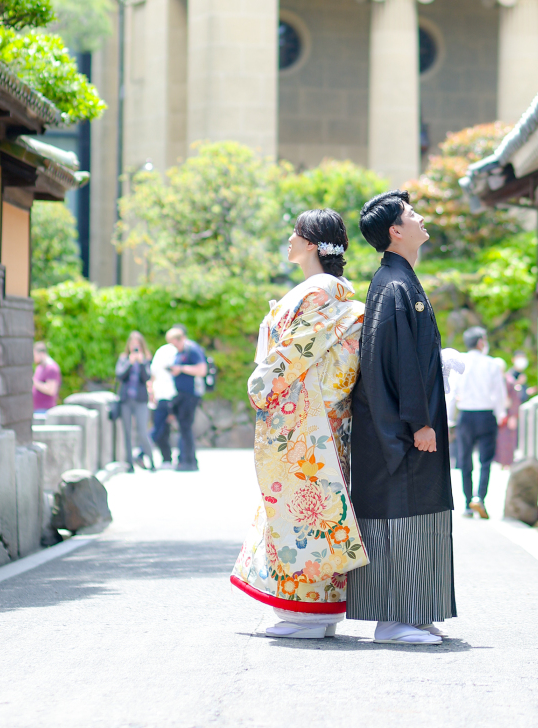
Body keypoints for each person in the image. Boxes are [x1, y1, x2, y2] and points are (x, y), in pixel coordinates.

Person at [231, 209, 368, 640]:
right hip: (323, 416)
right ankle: (318, 613)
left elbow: (295, 350)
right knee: (320, 508)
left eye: (295, 233)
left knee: (302, 510)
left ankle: (304, 616)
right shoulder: (335, 290)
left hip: (308, 419)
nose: (289, 240)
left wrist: (260, 383)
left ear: (311, 243)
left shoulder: (318, 291)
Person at [346, 190, 455, 646]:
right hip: (400, 431)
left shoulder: (399, 281)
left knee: (418, 516)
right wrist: (418, 422)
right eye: (412, 214)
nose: (421, 217)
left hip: (407, 426)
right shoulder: (393, 285)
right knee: (401, 517)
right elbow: (395, 362)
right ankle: (393, 620)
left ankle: (412, 612)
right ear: (395, 231)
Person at [452, 327, 508, 518]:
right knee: (485, 461)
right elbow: (499, 392)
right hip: (486, 416)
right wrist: (501, 414)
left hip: (466, 416)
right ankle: (480, 499)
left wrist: (449, 417)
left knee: (465, 459)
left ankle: (468, 503)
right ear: (481, 342)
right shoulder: (491, 364)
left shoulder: (461, 361)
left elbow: (452, 391)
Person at [168, 325, 207, 471]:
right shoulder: (180, 352)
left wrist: (182, 369)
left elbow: (202, 370)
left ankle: (189, 461)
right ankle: (185, 459)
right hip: (181, 394)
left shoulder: (192, 350)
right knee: (184, 428)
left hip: (191, 394)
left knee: (186, 427)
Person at [115, 332, 156, 473]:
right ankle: (129, 464)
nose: (135, 347)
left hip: (140, 400)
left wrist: (142, 362)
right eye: (133, 345)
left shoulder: (146, 359)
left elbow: (147, 377)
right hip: (126, 400)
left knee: (142, 431)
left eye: (137, 345)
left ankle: (151, 461)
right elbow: (120, 375)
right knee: (126, 432)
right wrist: (130, 363)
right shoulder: (124, 358)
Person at [149, 329, 180, 470]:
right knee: (160, 428)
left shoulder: (160, 351)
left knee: (161, 427)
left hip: (159, 395)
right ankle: (144, 451)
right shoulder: (174, 352)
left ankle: (166, 458)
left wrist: (151, 392)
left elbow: (153, 373)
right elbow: (175, 373)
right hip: (169, 395)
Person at [32, 341, 61, 416]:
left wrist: (34, 382)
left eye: (34, 355)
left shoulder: (51, 368)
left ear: (41, 354)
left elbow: (51, 390)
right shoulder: (39, 367)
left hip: (46, 411)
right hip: (37, 409)